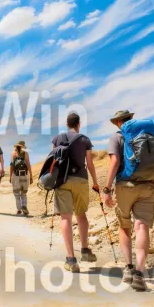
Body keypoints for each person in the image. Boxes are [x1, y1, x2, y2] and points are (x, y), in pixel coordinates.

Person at [102, 110, 154, 291]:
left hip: (125, 185)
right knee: (141, 226)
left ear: (118, 122)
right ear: (131, 119)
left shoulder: (115, 138)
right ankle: (140, 274)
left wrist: (107, 189)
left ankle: (128, 268)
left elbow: (115, 162)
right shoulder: (145, 133)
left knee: (124, 226)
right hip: (148, 184)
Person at [52, 113, 100, 273]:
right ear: (79, 124)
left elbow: (53, 161)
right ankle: (85, 250)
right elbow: (90, 164)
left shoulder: (58, 138)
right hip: (80, 179)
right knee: (81, 214)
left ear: (67, 124)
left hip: (63, 181)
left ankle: (71, 260)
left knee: (66, 217)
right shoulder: (85, 139)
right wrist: (95, 182)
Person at [9, 141, 33, 216]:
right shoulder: (26, 153)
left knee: (16, 194)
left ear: (16, 146)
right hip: (24, 175)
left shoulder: (13, 154)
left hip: (16, 176)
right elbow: (28, 165)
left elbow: (11, 166)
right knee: (24, 193)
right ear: (22, 146)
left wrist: (10, 176)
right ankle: (24, 206)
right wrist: (31, 176)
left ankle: (19, 210)